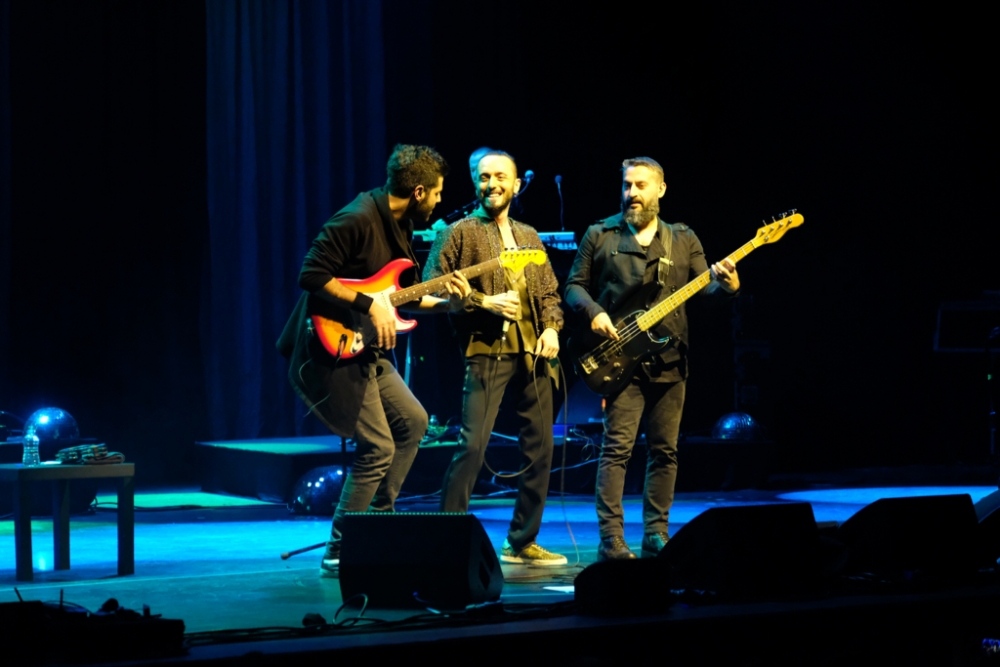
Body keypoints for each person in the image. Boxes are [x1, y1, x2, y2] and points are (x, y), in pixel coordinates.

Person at [277, 144, 470, 576]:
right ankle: (340, 549)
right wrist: (370, 306)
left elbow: (400, 299)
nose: (439, 201)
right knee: (378, 446)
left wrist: (450, 304)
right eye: (437, 193)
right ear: (419, 192)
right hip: (334, 347)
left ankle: (377, 526)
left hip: (368, 347)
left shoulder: (399, 225)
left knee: (414, 422)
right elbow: (311, 275)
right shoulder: (358, 218)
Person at [564, 157, 740, 561]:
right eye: (627, 185)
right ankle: (611, 539)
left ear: (660, 189)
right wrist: (595, 313)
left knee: (665, 451)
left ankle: (656, 533)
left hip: (670, 360)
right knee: (616, 451)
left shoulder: (682, 238)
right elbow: (574, 286)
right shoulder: (599, 233)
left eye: (641, 186)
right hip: (617, 358)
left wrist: (729, 286)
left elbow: (706, 290)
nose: (632, 194)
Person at [423, 150, 567, 565]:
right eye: (485, 177)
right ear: (476, 182)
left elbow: (550, 292)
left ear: (516, 184)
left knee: (541, 448)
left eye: (501, 177)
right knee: (472, 447)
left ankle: (522, 541)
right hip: (486, 349)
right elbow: (430, 288)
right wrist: (480, 301)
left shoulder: (529, 234)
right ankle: (446, 540)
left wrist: (552, 327)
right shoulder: (458, 233)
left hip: (535, 352)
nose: (492, 184)